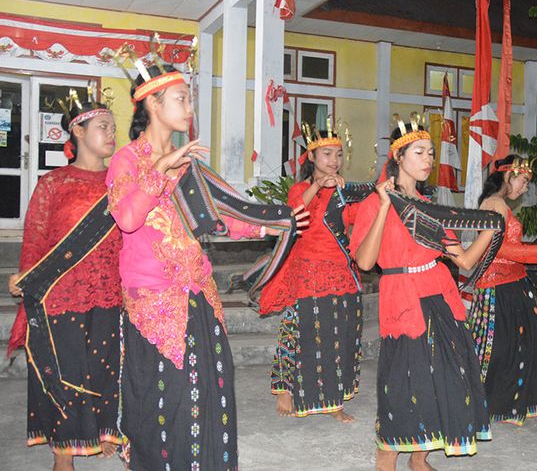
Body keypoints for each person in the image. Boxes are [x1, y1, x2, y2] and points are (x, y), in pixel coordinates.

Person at [106, 64, 306, 470]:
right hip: (154, 305)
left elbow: (219, 218)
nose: (189, 106)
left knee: (209, 398)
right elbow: (127, 219)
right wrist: (161, 169)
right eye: (181, 98)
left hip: (198, 296)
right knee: (163, 403)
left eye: (188, 98)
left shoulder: (189, 164)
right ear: (151, 103)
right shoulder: (126, 161)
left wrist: (274, 222)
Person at [350, 120, 496, 471]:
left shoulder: (428, 205)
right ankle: (386, 460)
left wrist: (491, 230)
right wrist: (386, 206)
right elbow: (366, 260)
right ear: (398, 156)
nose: (428, 158)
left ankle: (420, 458)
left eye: (431, 152)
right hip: (403, 299)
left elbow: (462, 259)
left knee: (449, 376)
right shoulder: (374, 202)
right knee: (403, 382)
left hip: (439, 298)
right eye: (419, 152)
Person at [7, 101, 122, 470]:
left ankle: (103, 431)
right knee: (66, 371)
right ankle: (63, 451)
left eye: (113, 127)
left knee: (105, 367)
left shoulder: (121, 183)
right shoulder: (53, 184)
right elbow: (35, 242)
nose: (111, 133)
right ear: (78, 130)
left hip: (110, 291)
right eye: (103, 126)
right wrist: (27, 282)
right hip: (61, 295)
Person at [260, 127, 362, 422]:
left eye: (339, 154)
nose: (334, 160)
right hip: (306, 272)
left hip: (341, 271)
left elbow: (357, 225)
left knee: (338, 337)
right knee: (296, 330)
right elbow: (293, 213)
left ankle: (334, 401)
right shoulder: (300, 188)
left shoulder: (344, 191)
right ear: (312, 156)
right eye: (327, 154)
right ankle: (285, 388)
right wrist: (318, 186)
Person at [468, 155, 537, 426]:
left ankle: (501, 404)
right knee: (496, 348)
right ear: (509, 176)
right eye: (523, 180)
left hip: (510, 282)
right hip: (499, 285)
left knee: (512, 347)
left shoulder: (497, 204)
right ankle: (485, 403)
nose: (524, 187)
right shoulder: (496, 204)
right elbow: (496, 248)